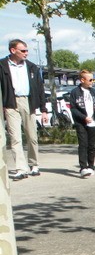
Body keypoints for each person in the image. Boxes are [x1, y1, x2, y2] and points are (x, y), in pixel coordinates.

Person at [0, 38, 48, 180]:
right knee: (15, 138)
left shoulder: (32, 67)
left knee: (32, 135)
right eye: (23, 51)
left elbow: (40, 88)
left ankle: (34, 164)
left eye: (27, 50)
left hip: (28, 102)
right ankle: (20, 168)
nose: (26, 53)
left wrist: (44, 109)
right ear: (13, 50)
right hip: (11, 103)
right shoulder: (2, 65)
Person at [69, 69, 95, 178]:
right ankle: (83, 167)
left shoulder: (93, 91)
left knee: (91, 146)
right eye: (90, 79)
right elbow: (73, 109)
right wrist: (84, 117)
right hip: (81, 122)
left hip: (92, 122)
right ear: (82, 80)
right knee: (83, 144)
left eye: (93, 79)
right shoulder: (75, 92)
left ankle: (91, 166)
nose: (92, 81)